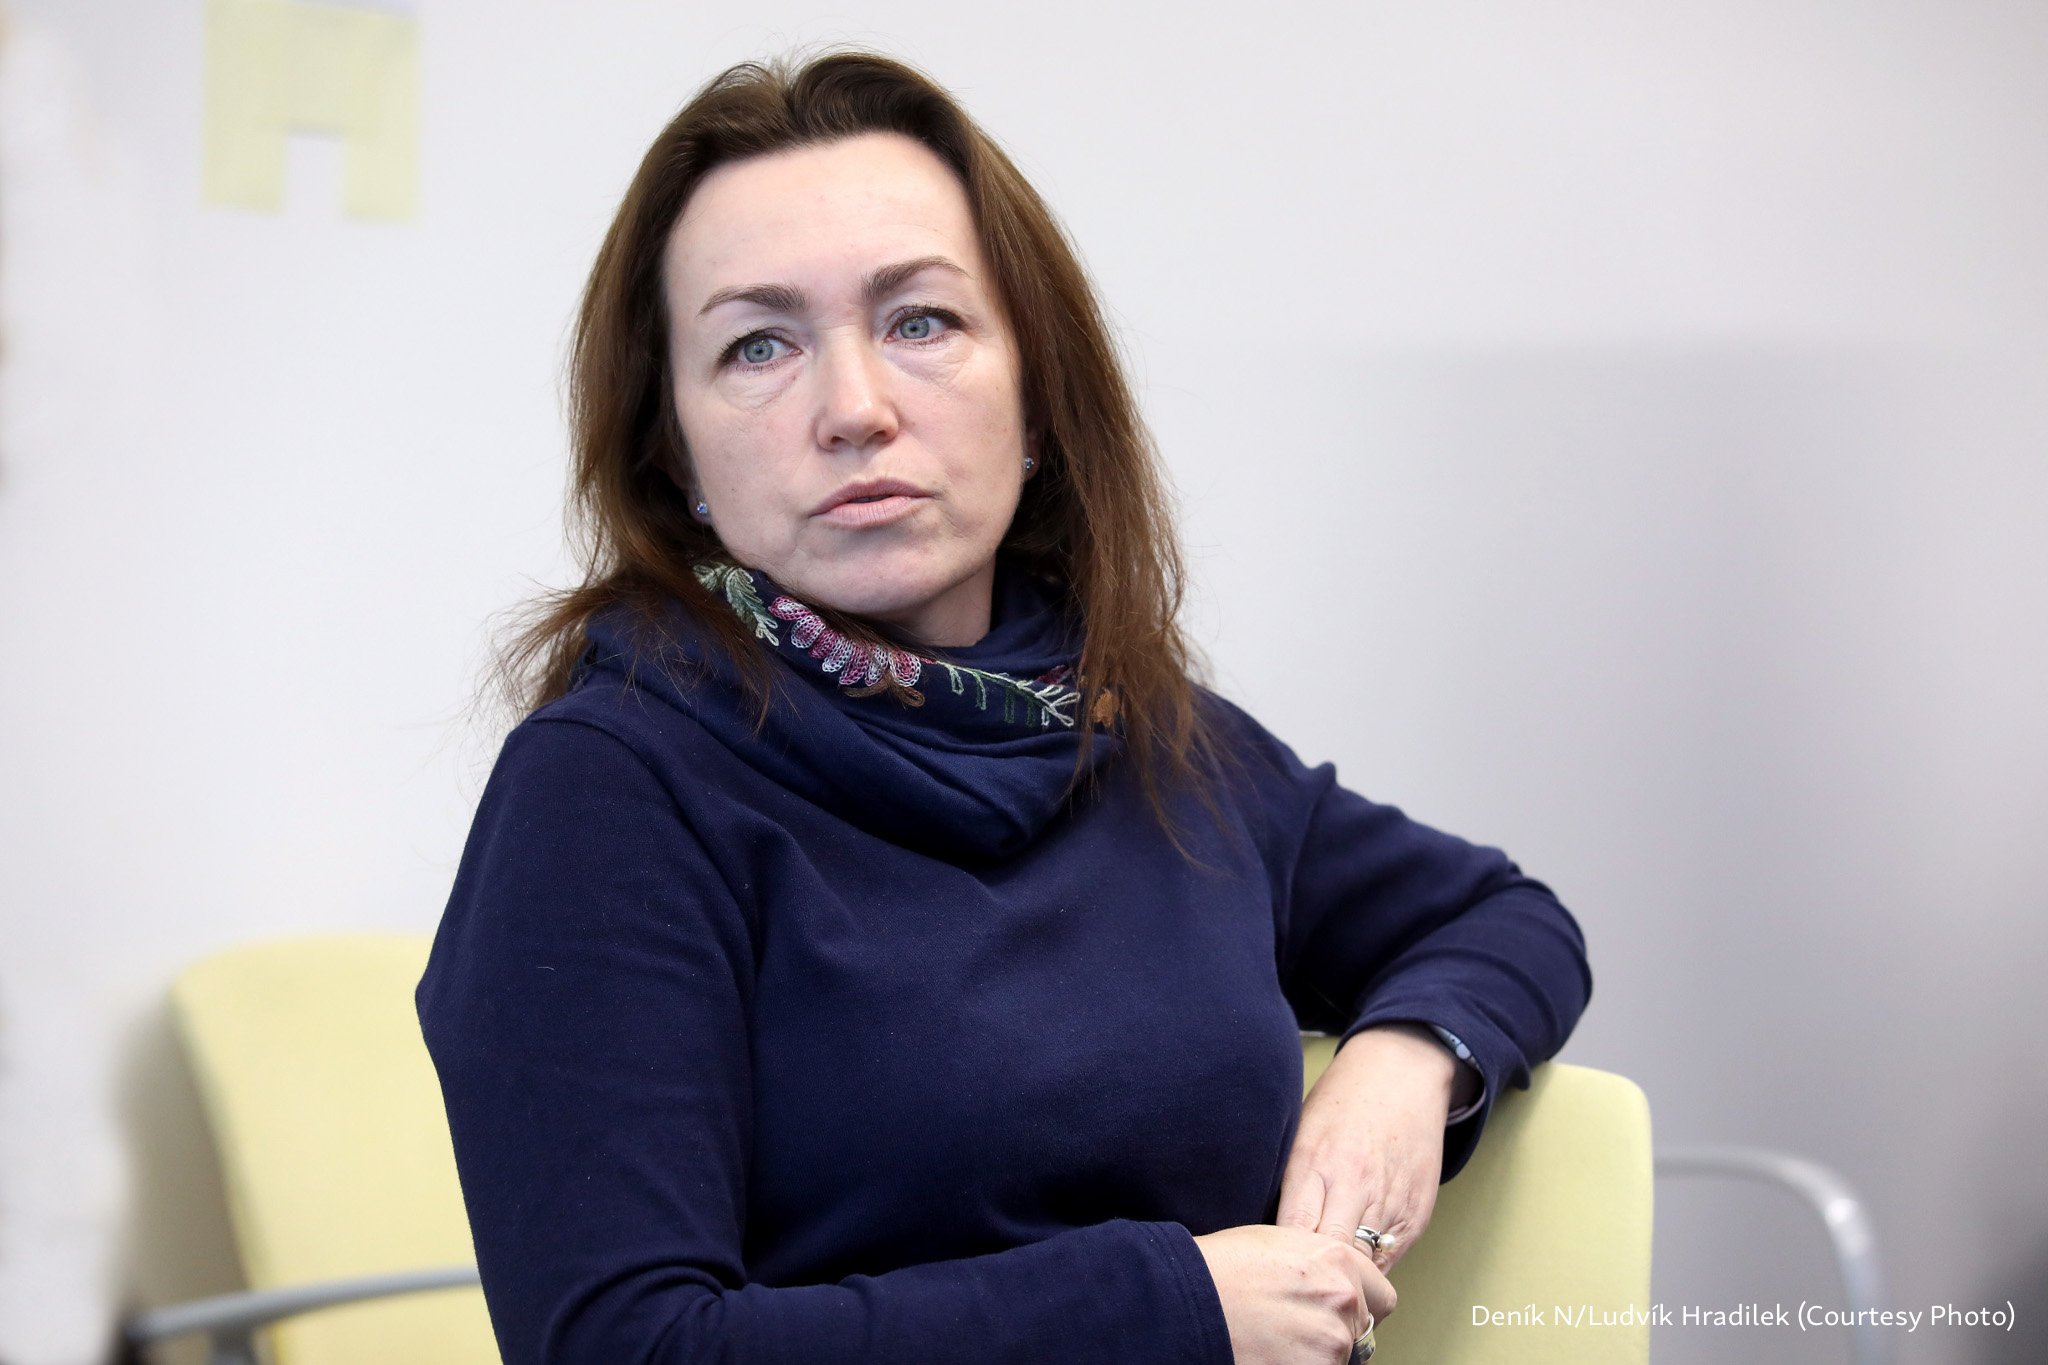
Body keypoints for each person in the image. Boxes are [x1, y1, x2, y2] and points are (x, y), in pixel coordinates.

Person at [416, 45, 1592, 1365]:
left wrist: (1406, 1060)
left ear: (1037, 399)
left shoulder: (1145, 735)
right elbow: (626, 1350)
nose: (854, 408)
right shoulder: (610, 789)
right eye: (758, 345)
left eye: (921, 321)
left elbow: (1502, 917)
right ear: (674, 454)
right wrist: (1175, 1310)